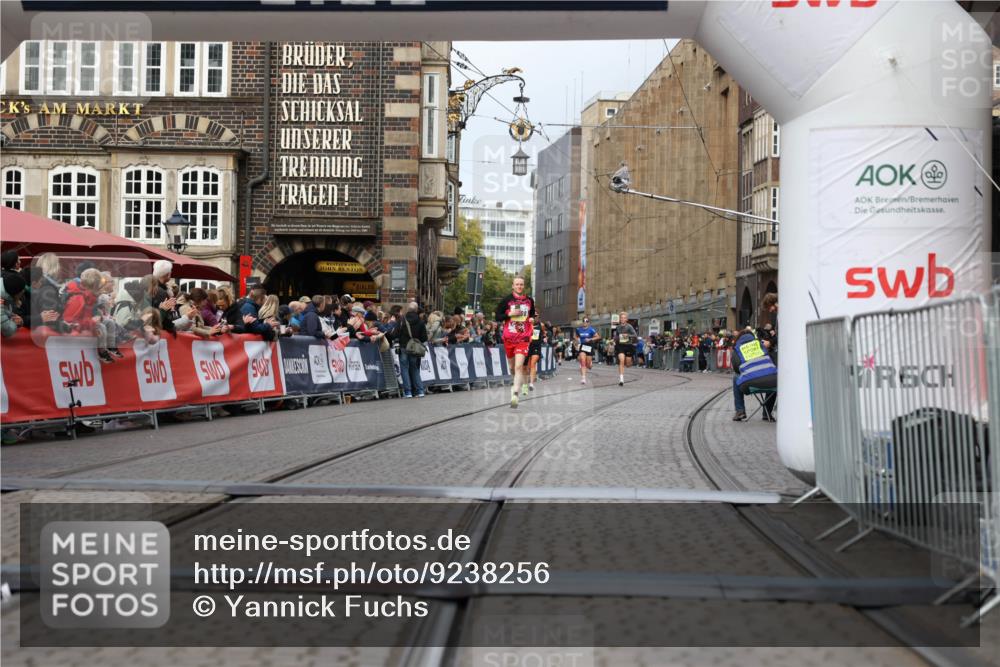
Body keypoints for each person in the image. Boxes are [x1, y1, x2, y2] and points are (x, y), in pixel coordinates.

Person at [494, 275, 535, 408]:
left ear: (524, 286)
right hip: (509, 338)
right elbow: (497, 316)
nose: (519, 286)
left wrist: (531, 319)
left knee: (519, 366)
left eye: (521, 284)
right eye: (517, 284)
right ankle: (517, 384)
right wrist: (509, 315)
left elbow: (532, 314)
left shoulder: (529, 301)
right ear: (513, 286)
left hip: (523, 338)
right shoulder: (507, 300)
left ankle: (515, 394)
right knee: (512, 368)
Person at [732, 327, 778, 421]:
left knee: (735, 377)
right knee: (772, 377)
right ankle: (767, 413)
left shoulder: (737, 348)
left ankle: (740, 410)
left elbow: (737, 368)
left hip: (750, 384)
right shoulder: (761, 344)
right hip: (772, 384)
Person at [397, 301, 428, 398]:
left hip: (403, 347)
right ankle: (420, 391)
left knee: (404, 369)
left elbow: (396, 334)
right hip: (414, 348)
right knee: (415, 369)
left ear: (408, 309)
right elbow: (424, 338)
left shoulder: (402, 320)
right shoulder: (420, 322)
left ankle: (408, 392)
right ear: (417, 310)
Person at [613, 312, 637, 386]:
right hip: (620, 346)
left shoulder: (629, 326)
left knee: (628, 364)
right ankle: (621, 379)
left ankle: (631, 361)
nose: (622, 319)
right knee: (621, 361)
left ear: (626, 319)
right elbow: (616, 336)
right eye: (621, 318)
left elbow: (635, 335)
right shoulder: (618, 327)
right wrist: (615, 339)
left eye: (624, 318)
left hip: (628, 346)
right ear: (620, 319)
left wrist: (626, 336)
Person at [575, 316, 600, 385]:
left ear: (588, 323)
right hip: (583, 346)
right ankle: (583, 378)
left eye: (586, 321)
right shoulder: (578, 329)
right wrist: (577, 341)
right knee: (582, 361)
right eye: (584, 321)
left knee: (588, 365)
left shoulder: (591, 329)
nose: (585, 323)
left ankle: (590, 363)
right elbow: (576, 336)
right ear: (582, 322)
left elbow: (598, 336)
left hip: (589, 346)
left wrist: (590, 339)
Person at [1, 273, 26, 337]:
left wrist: (15, 318)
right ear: (16, 294)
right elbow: (7, 331)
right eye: (21, 292)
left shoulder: (5, 295)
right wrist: (15, 322)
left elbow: (5, 313)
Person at [524, 318, 545, 393]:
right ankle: (526, 382)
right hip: (527, 348)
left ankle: (531, 384)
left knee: (533, 364)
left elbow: (533, 339)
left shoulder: (538, 328)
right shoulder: (525, 327)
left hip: (536, 348)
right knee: (527, 367)